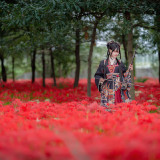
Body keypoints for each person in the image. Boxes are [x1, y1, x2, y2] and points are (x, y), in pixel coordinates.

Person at [94, 41, 133, 109]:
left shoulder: (120, 63)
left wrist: (129, 70)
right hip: (107, 90)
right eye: (115, 51)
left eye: (117, 52)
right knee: (108, 108)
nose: (116, 53)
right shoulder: (103, 63)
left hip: (118, 88)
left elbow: (124, 75)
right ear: (109, 50)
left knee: (118, 107)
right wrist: (101, 79)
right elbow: (97, 75)